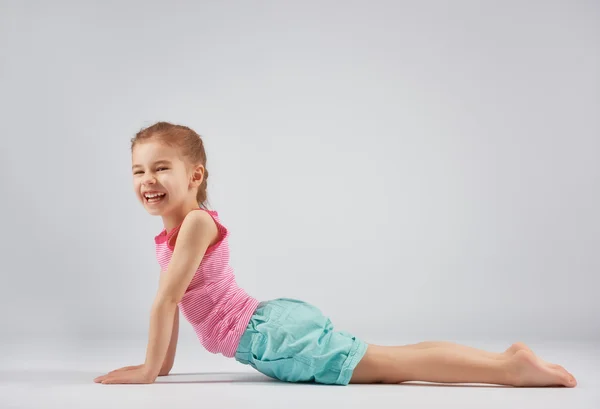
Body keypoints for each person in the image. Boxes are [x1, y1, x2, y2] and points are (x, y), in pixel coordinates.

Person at [93, 121, 577, 387]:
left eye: (160, 168)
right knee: (388, 359)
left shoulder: (197, 222)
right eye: (138, 171)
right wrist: (165, 366)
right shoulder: (180, 230)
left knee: (392, 368)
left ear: (195, 176)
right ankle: (506, 359)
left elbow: (166, 301)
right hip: (271, 327)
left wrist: (148, 371)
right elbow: (174, 302)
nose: (147, 181)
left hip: (272, 338)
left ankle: (507, 371)